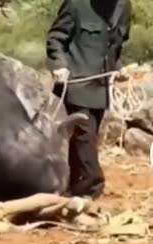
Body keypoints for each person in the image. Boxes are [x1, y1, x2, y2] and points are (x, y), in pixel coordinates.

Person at [46, 0, 131, 199]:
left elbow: (115, 46)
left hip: (100, 88)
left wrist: (118, 69)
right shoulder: (76, 4)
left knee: (82, 140)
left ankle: (74, 188)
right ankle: (93, 186)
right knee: (85, 136)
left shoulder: (123, 6)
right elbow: (56, 38)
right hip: (76, 83)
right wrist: (59, 64)